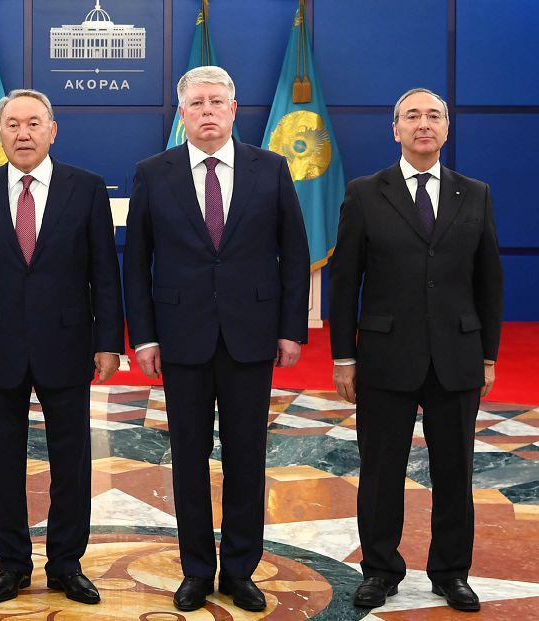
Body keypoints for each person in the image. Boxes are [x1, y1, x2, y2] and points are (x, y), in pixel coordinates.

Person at [123, 66, 309, 613]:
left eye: (216, 102)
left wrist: (290, 329)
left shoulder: (270, 168)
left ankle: (240, 571)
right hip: (181, 338)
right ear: (182, 114)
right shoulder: (153, 172)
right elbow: (136, 262)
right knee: (189, 458)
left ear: (234, 109)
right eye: (197, 103)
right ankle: (197, 570)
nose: (207, 111)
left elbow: (294, 253)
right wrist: (144, 337)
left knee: (247, 458)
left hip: (252, 337)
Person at [0, 89, 123, 605]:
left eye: (34, 123)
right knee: (2, 463)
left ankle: (66, 563)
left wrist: (109, 342)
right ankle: (12, 564)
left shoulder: (86, 188)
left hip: (68, 344)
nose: (23, 134)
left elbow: (104, 272)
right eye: (13, 124)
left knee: (72, 463)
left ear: (52, 130)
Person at [329, 87, 503, 612]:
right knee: (381, 472)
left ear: (447, 129)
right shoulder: (365, 193)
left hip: (457, 355)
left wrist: (488, 356)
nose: (423, 124)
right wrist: (343, 357)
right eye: (412, 116)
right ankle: (380, 569)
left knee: (455, 472)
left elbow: (489, 281)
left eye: (433, 116)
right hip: (386, 356)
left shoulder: (475, 193)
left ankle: (451, 572)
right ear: (395, 130)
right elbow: (345, 283)